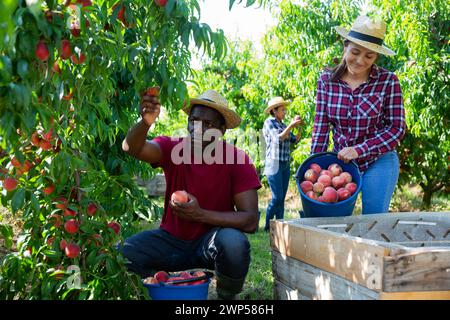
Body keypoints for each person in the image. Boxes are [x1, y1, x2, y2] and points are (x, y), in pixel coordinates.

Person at [120, 89, 261, 300]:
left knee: (234, 243)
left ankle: (226, 296)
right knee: (123, 254)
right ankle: (158, 284)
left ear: (222, 129)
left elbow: (250, 221)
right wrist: (145, 122)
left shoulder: (237, 160)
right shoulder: (173, 148)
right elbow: (130, 147)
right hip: (170, 241)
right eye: (193, 120)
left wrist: (200, 214)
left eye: (208, 124)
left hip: (211, 242)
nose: (198, 128)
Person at [311, 15, 406, 214]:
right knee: (334, 219)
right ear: (345, 46)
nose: (360, 60)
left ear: (376, 57)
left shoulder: (388, 81)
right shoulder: (326, 81)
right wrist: (315, 167)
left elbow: (396, 129)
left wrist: (360, 149)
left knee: (373, 220)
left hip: (378, 159)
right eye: (355, 52)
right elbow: (321, 127)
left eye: (369, 56)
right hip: (341, 162)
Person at [262, 97, 303, 232]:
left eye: (285, 109)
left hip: (284, 164)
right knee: (277, 197)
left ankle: (279, 225)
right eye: (282, 109)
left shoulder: (283, 125)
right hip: (274, 163)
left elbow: (294, 140)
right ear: (274, 111)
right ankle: (267, 226)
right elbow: (278, 138)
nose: (285, 112)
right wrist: (291, 125)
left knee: (282, 198)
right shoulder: (269, 123)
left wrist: (299, 127)